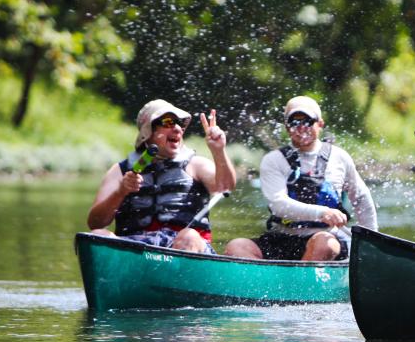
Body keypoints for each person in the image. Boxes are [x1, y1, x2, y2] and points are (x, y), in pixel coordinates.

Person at [224, 95, 377, 261]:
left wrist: (371, 245)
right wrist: (322, 212)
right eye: (294, 122)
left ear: (320, 124)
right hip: (282, 238)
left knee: (325, 244)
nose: (301, 128)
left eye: (308, 121)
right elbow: (278, 205)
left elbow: (361, 199)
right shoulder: (274, 160)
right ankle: (267, 285)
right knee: (236, 247)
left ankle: (297, 284)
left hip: (326, 238)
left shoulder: (339, 157)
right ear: (287, 126)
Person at [87, 99, 237, 252]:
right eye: (168, 122)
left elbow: (225, 187)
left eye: (180, 123)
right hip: (136, 246)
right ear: (148, 132)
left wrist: (218, 151)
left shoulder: (196, 165)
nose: (178, 128)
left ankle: (176, 274)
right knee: (97, 235)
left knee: (188, 237)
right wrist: (120, 192)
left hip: (187, 246)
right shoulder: (119, 171)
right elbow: (96, 223)